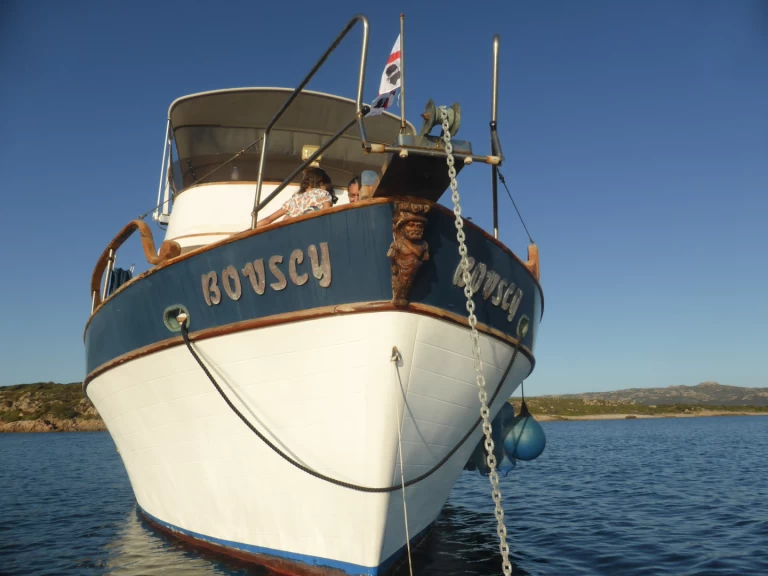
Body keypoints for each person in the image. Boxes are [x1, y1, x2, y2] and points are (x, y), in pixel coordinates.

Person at [256, 167, 333, 228]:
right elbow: (328, 216)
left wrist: (248, 230)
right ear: (321, 182)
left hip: (294, 236)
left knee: (286, 218)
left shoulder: (294, 199)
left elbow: (268, 220)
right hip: (313, 233)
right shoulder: (323, 194)